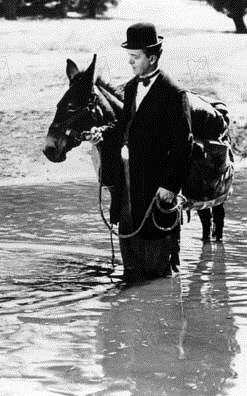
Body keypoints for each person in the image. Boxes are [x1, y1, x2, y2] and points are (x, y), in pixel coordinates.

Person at [91, 23, 193, 281]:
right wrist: (102, 134)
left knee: (159, 270)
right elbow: (124, 128)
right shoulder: (131, 88)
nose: (130, 62)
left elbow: (184, 144)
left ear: (152, 58)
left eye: (135, 57)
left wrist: (170, 186)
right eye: (129, 57)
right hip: (130, 189)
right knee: (132, 263)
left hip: (159, 192)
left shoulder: (173, 93)